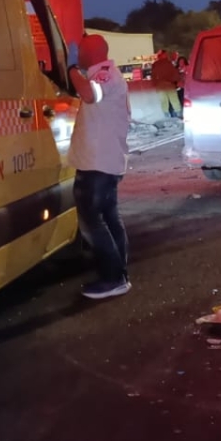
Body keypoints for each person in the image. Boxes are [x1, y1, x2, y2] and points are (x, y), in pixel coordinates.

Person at [68, 34, 132, 299]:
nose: (78, 53)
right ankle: (119, 274)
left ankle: (113, 278)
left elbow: (89, 95)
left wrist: (71, 69)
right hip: (103, 161)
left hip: (98, 163)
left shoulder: (104, 74)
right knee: (109, 218)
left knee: (92, 221)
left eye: (81, 50)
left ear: (92, 52)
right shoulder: (103, 74)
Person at [150, 48, 183, 118]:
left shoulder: (155, 64)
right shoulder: (168, 63)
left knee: (164, 102)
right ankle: (178, 114)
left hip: (160, 86)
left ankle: (167, 115)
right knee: (174, 100)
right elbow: (175, 74)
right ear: (164, 55)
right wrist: (177, 82)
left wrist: (155, 84)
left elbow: (153, 76)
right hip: (169, 85)